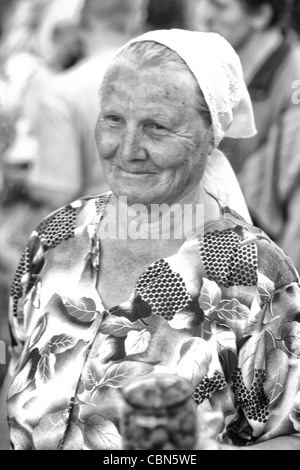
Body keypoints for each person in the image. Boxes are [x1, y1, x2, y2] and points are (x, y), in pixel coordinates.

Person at [2, 28, 300, 451]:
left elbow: (290, 435)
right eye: (112, 119)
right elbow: (13, 367)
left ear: (210, 134)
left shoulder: (252, 272)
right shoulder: (56, 236)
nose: (127, 149)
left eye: (156, 127)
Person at [188, 0, 300, 274]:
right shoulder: (211, 69)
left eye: (220, 6)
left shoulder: (294, 84)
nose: (204, 15)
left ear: (261, 15)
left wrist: (283, 293)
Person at [25, 0, 147, 212]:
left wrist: (19, 181)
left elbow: (56, 191)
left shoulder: (61, 91)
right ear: (135, 20)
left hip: (88, 231)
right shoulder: (158, 81)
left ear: (81, 21)